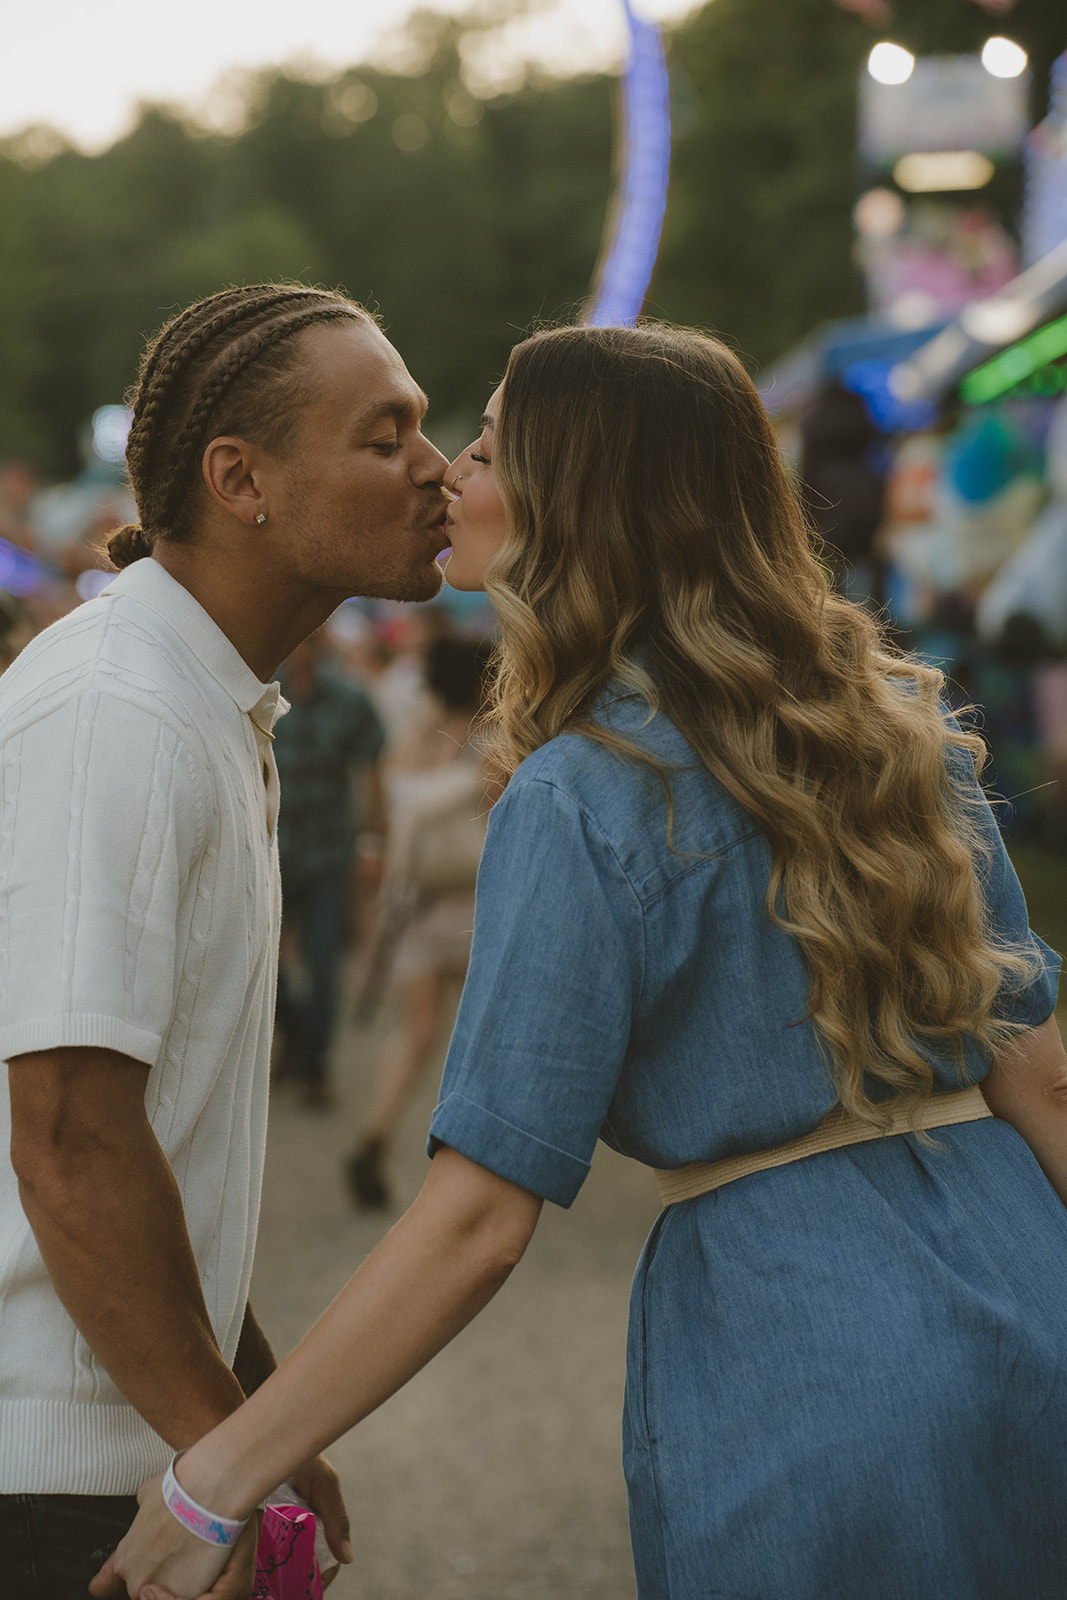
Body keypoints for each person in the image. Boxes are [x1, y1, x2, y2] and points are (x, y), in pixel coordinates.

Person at [97, 323, 1066, 1600]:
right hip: (1026, 1298)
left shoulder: (580, 794)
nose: (447, 474)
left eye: (489, 450)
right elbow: (1039, 1081)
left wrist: (215, 1474)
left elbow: (481, 1218)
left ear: (576, 497)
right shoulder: (896, 737)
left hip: (808, 1361)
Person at [0, 280, 452, 1599]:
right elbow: (72, 1132)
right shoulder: (115, 712)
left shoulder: (200, 701)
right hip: (57, 1489)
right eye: (384, 437)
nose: (434, 469)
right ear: (239, 479)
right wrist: (222, 1459)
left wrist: (252, 1399)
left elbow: (164, 1135)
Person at [346, 633, 493, 1208]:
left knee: (417, 1033)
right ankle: (464, 1170)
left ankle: (375, 1135)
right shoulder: (493, 743)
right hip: (472, 905)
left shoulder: (410, 740)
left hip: (412, 907)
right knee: (477, 1038)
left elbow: (387, 821)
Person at [273, 629, 388, 1109]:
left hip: (327, 853)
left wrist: (373, 844)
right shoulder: (263, 693)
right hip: (272, 850)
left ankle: (315, 1066)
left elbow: (372, 776)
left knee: (324, 963)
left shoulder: (351, 700)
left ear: (319, 644)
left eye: (308, 639)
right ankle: (296, 1038)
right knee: (263, 964)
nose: (299, 646)